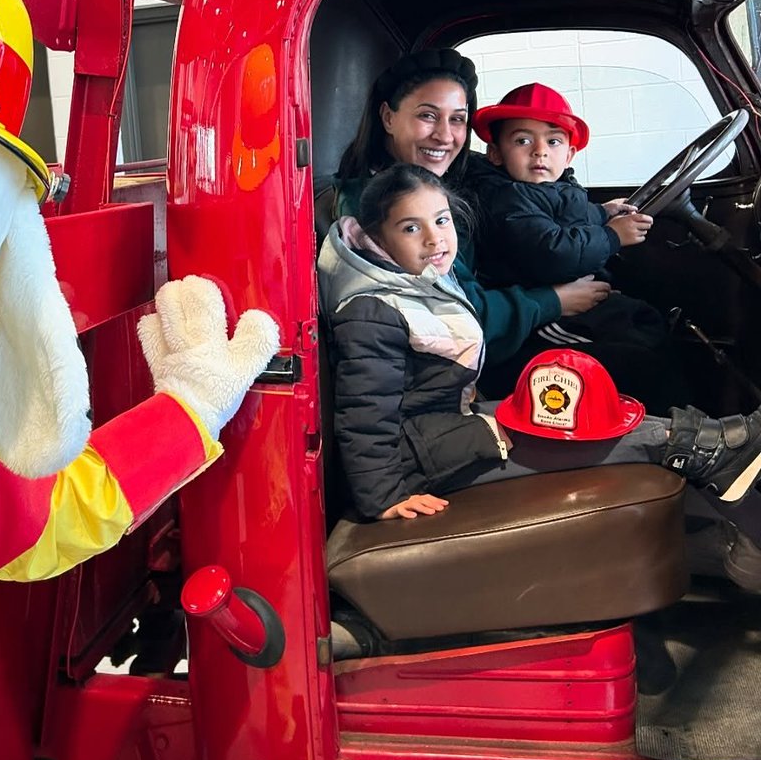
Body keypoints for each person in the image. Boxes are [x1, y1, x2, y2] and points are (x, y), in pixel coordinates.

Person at [317, 164, 761, 533]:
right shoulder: (372, 310)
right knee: (569, 429)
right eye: (411, 228)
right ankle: (700, 447)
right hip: (417, 456)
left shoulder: (415, 276)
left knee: (564, 410)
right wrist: (385, 497)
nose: (435, 239)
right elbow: (364, 415)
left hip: (442, 427)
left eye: (442, 220)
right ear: (379, 238)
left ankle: (705, 444)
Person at [333, 49, 610, 368]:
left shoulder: (456, 174)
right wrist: (554, 300)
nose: (444, 136)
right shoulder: (375, 208)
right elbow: (454, 311)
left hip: (502, 319)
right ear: (388, 117)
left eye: (457, 119)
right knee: (630, 359)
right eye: (427, 116)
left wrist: (601, 213)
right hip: (465, 356)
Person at [467, 82, 688, 411]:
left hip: (578, 294)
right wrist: (612, 236)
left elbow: (574, 213)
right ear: (496, 153)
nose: (539, 151)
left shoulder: (560, 186)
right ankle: (664, 426)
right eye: (522, 140)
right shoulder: (505, 198)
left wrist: (603, 212)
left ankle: (667, 411)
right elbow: (553, 252)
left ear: (569, 153)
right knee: (636, 362)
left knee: (649, 322)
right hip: (541, 320)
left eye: (553, 141)